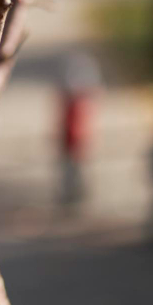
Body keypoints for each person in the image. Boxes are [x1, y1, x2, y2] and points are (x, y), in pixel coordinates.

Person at [57, 53, 102, 210]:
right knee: (70, 170)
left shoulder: (80, 102)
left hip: (78, 140)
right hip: (71, 139)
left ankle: (78, 195)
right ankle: (71, 195)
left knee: (77, 169)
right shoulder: (71, 102)